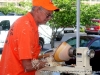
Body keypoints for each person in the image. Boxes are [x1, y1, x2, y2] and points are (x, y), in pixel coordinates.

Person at [0, 0, 59, 75]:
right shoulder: (26, 28)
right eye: (48, 15)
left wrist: (49, 55)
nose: (50, 18)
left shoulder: (25, 22)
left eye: (51, 15)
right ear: (37, 10)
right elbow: (28, 66)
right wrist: (50, 62)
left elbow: (29, 58)